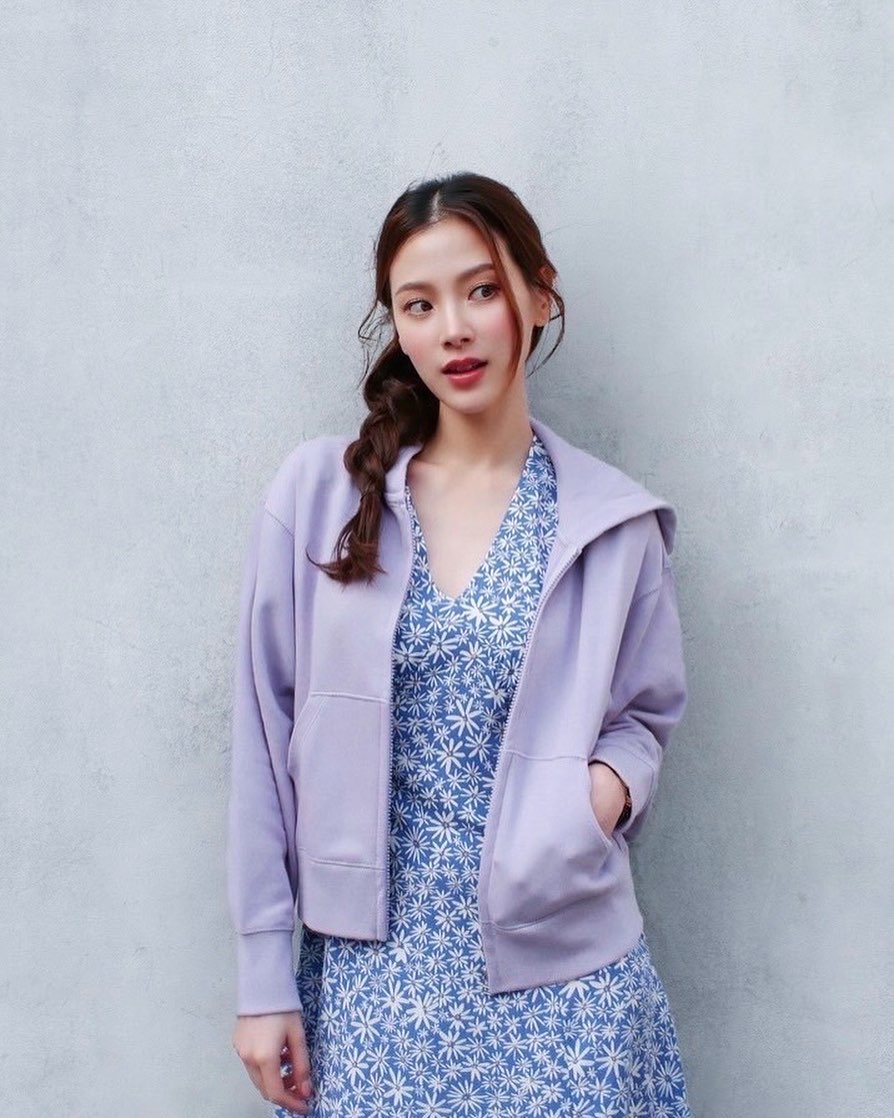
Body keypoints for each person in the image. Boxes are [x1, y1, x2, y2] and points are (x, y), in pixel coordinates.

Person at [227, 171, 692, 1117]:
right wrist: (263, 976)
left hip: (568, 984)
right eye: (419, 304)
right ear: (396, 327)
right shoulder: (320, 497)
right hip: (374, 985)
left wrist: (598, 796)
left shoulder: (612, 524)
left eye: (481, 290)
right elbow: (263, 742)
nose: (453, 329)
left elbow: (644, 716)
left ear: (539, 295)